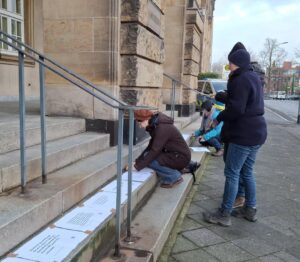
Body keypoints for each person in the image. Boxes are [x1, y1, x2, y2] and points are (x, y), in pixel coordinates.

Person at [203, 48, 267, 226]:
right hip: (258, 132)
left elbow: (237, 109)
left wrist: (218, 119)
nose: (229, 65)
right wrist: (224, 96)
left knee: (232, 173)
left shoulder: (239, 79)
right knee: (247, 172)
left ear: (236, 63)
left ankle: (224, 214)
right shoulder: (253, 76)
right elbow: (242, 99)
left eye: (230, 62)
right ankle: (250, 209)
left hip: (243, 135)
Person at [134, 109, 191, 188]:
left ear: (146, 120)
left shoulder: (161, 128)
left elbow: (154, 150)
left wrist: (138, 166)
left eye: (140, 123)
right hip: (175, 154)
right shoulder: (155, 125)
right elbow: (150, 147)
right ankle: (176, 170)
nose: (140, 126)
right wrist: (137, 162)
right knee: (148, 157)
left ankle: (174, 177)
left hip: (181, 157)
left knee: (151, 161)